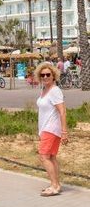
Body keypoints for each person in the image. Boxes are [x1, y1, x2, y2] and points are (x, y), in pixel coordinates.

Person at [34, 62, 67, 196]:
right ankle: (56, 184)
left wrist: (64, 131)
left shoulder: (54, 91)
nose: (45, 77)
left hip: (51, 128)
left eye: (48, 74)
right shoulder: (45, 90)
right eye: (42, 75)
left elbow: (62, 111)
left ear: (54, 75)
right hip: (46, 129)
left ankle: (54, 186)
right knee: (51, 157)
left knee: (44, 157)